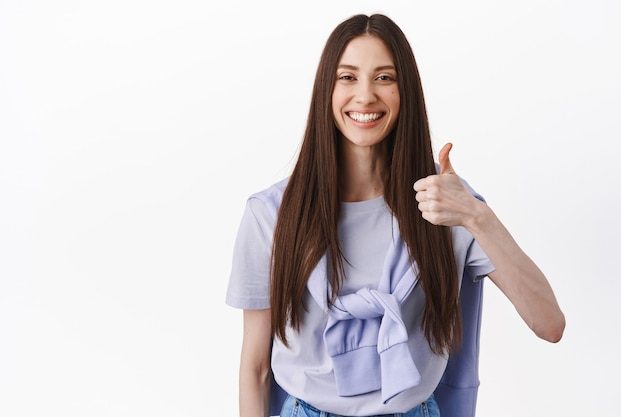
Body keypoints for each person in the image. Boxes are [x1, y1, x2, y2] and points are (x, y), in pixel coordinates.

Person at [226, 13, 565, 417]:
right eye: (347, 77)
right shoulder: (271, 215)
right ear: (326, 91)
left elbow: (549, 324)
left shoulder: (444, 204)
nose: (365, 96)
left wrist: (476, 215)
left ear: (406, 91)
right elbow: (256, 369)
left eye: (384, 78)